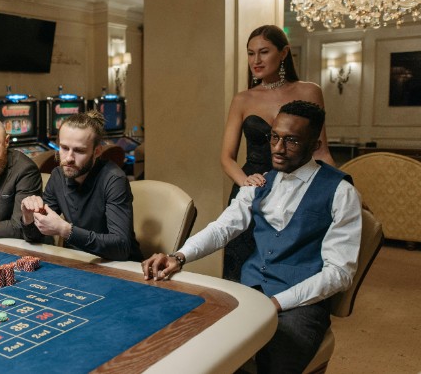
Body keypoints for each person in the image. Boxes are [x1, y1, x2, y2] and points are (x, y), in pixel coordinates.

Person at [144, 100, 361, 374]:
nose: (278, 148)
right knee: (193, 341)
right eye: (274, 137)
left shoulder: (341, 192)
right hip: (249, 290)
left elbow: (340, 272)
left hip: (300, 305)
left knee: (273, 361)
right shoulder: (258, 182)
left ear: (316, 145)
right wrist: (179, 256)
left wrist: (277, 303)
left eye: (291, 141)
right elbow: (222, 228)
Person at [221, 24, 336, 282]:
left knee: (286, 267)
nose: (256, 60)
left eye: (264, 52)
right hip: (253, 190)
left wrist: (341, 188)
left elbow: (321, 152)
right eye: (251, 54)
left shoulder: (309, 91)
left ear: (283, 53)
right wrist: (245, 185)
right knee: (240, 270)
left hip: (295, 190)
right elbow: (226, 157)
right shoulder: (242, 99)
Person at [20, 111, 143, 261]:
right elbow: (35, 237)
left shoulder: (114, 180)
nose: (69, 158)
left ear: (96, 152)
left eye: (79, 151)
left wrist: (66, 230)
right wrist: (28, 218)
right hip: (78, 262)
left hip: (120, 268)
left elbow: (120, 248)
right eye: (64, 148)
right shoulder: (58, 175)